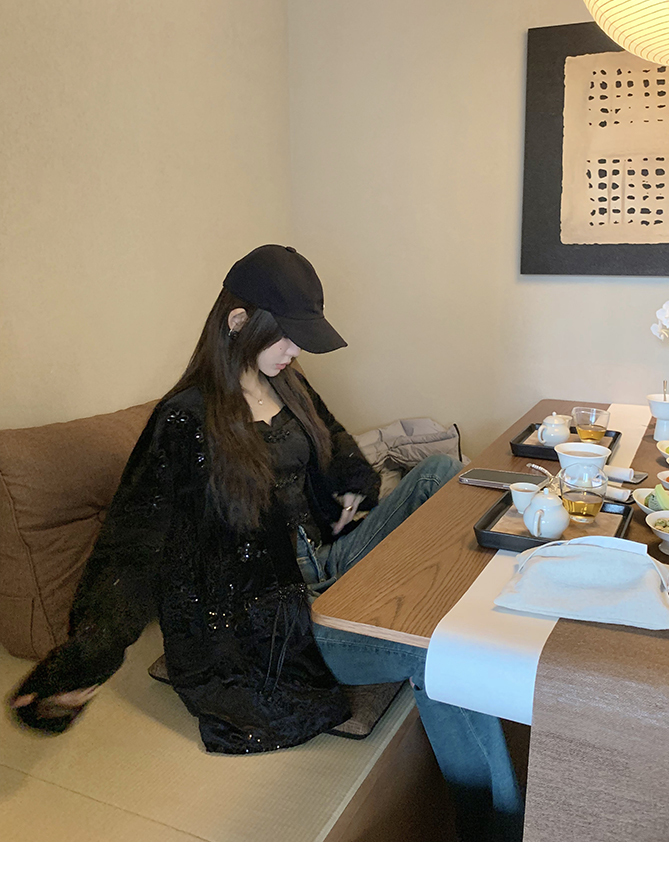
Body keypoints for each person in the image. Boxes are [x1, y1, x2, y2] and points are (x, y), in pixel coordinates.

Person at [8, 245, 522, 840]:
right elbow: (134, 542)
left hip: (322, 558)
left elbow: (335, 444)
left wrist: (351, 489)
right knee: (436, 653)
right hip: (265, 619)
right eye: (287, 337)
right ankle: (496, 830)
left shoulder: (288, 384)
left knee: (438, 473)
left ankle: (472, 603)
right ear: (238, 321)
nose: (295, 350)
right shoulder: (187, 419)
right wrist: (87, 657)